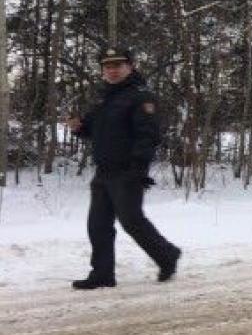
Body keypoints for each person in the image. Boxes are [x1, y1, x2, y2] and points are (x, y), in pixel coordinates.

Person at [66, 49, 181, 290]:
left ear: (130, 67)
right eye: (107, 66)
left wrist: (139, 168)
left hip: (127, 171)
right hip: (103, 172)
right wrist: (78, 128)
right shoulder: (103, 98)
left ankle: (167, 255)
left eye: (118, 65)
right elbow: (92, 130)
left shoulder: (140, 97)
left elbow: (148, 136)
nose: (112, 70)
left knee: (132, 221)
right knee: (98, 225)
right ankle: (102, 274)